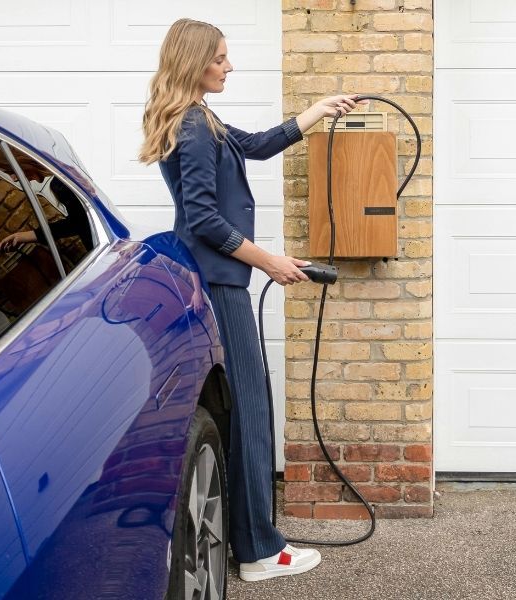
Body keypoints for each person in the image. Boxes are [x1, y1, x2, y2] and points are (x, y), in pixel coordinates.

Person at [140, 18, 364, 582]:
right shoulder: (194, 126)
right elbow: (203, 217)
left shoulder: (200, 119)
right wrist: (269, 261)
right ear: (194, 61)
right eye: (219, 58)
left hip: (218, 278)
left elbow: (259, 145)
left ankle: (251, 543)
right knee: (250, 411)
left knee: (244, 409)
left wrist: (317, 111)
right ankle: (261, 551)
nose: (229, 66)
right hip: (220, 282)